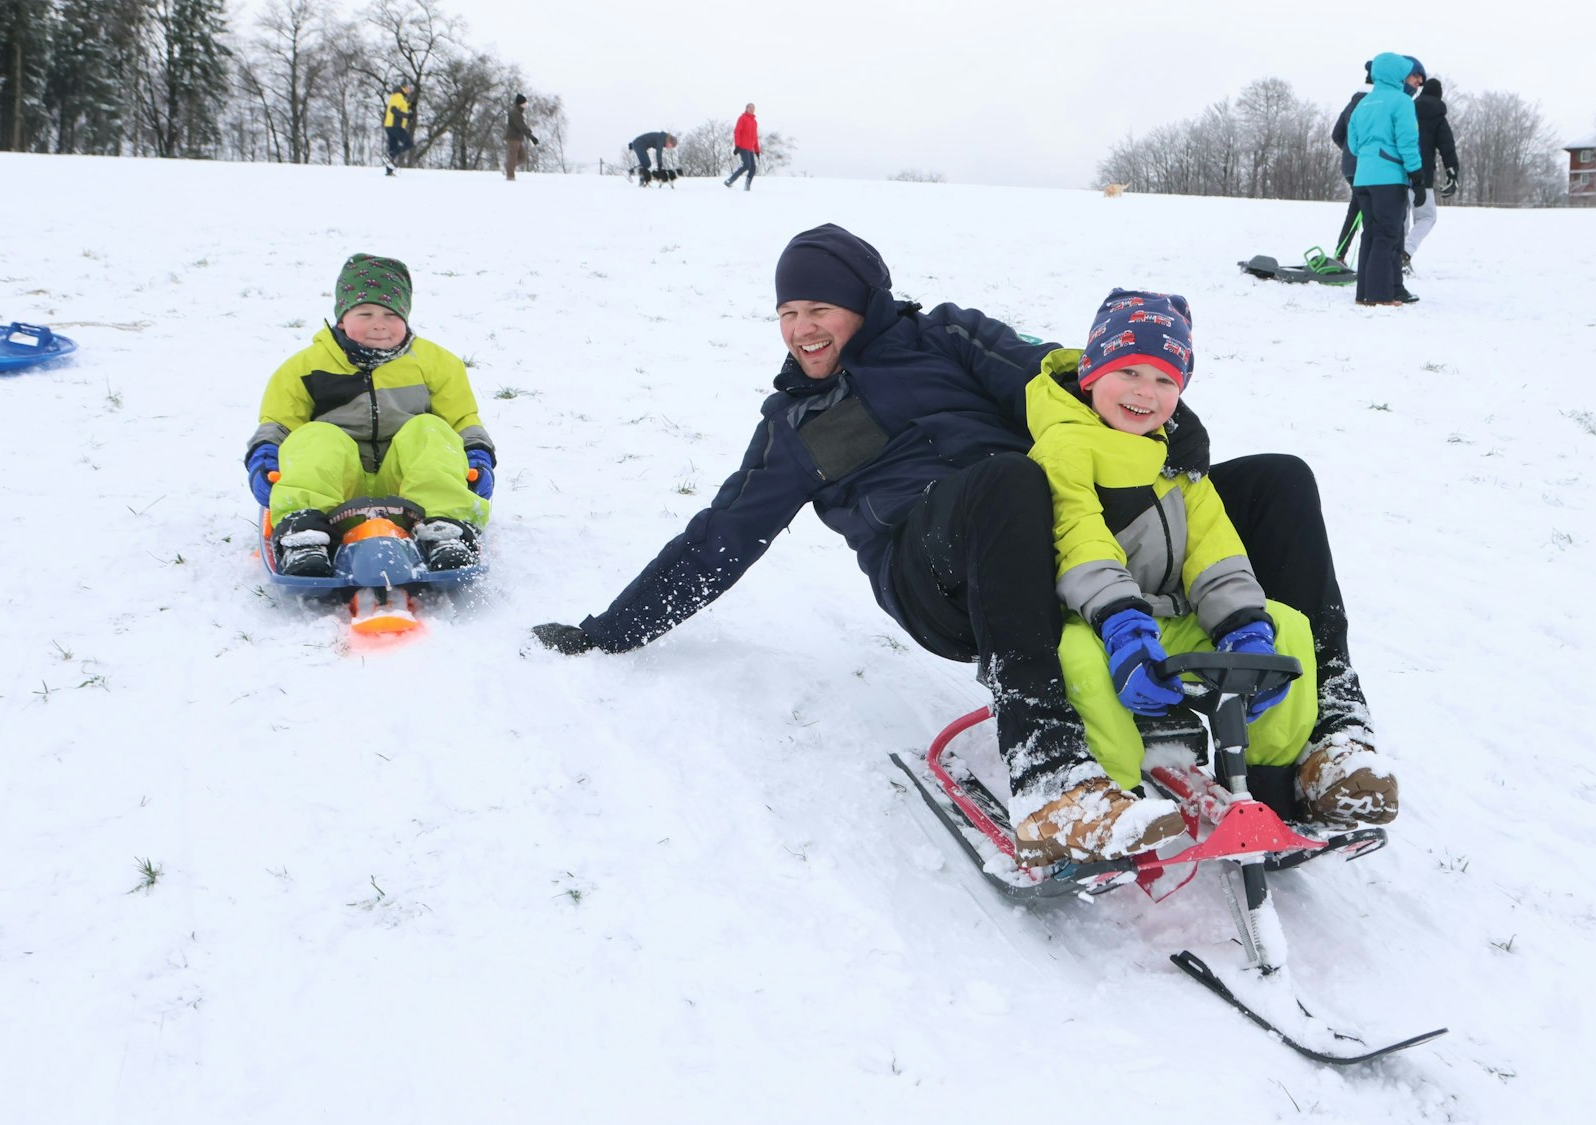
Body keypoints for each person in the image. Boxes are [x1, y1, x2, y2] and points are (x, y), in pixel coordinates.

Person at [530, 226, 1396, 865]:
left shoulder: (944, 334)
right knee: (1007, 481)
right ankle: (1051, 771)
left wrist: (1166, 417)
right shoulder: (796, 424)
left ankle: (1329, 737)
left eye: (818, 307)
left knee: (1279, 479)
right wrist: (611, 630)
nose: (802, 327)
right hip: (940, 575)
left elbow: (1057, 375)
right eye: (788, 312)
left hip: (1071, 527)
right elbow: (714, 541)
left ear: (862, 304)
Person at [1027, 289, 1354, 859]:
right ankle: (1112, 798)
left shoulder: (1178, 458)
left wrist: (1244, 625)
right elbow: (1077, 535)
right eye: (1127, 370)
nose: (1144, 392)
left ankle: (1274, 787)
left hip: (1170, 614)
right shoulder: (1064, 447)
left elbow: (1215, 548)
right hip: (1094, 617)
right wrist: (1124, 628)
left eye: (1164, 380)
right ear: (1090, 373)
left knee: (1289, 631)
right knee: (1080, 663)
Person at [245, 254, 496, 577]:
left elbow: (462, 421)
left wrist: (477, 455)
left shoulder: (437, 363)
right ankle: (304, 534)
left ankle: (445, 529)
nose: (379, 324)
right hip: (335, 487)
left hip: (409, 484)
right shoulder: (302, 368)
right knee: (314, 435)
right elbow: (278, 424)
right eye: (365, 313)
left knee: (430, 429)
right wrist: (264, 458)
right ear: (341, 319)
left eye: (391, 314)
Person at [1346, 53, 1426, 306]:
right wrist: (1417, 175)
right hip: (1389, 178)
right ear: (1395, 75)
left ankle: (1364, 294)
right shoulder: (1401, 102)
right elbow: (1407, 141)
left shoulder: (1363, 104)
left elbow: (1353, 144)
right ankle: (1380, 295)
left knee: (1370, 233)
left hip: (1363, 178)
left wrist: (1372, 156)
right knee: (1387, 235)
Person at [1403, 77, 1460, 273]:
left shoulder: (1408, 109)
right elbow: (1447, 146)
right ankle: (1405, 252)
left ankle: (1396, 256)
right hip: (1423, 175)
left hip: (1399, 174)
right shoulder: (1438, 116)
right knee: (1427, 217)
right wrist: (1452, 172)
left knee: (1401, 218)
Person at [1329, 63, 1373, 265]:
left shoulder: (1351, 103)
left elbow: (1336, 134)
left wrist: (1349, 151)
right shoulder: (1373, 104)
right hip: (1369, 167)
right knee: (1366, 211)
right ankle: (1358, 257)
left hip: (1349, 167)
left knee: (1357, 209)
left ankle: (1341, 254)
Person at [504, 93, 540, 181]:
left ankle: (508, 166)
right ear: (520, 103)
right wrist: (531, 137)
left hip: (518, 138)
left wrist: (528, 130)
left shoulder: (518, 112)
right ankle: (510, 177)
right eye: (524, 103)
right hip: (513, 138)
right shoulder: (515, 112)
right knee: (513, 157)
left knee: (522, 157)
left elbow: (522, 125)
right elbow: (521, 126)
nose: (526, 105)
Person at [383, 82, 416, 176]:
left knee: (392, 147)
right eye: (409, 88)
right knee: (409, 144)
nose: (410, 90)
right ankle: (389, 156)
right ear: (404, 87)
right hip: (395, 126)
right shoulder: (398, 96)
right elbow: (393, 110)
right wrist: (407, 116)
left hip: (389, 126)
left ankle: (389, 172)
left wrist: (410, 106)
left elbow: (401, 107)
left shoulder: (396, 96)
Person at [725, 104, 760, 190]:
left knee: (753, 168)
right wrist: (737, 145)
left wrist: (757, 150)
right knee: (747, 165)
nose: (752, 109)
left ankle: (747, 186)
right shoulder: (742, 118)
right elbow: (737, 132)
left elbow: (755, 137)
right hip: (742, 146)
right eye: (750, 108)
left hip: (750, 148)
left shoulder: (754, 122)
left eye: (753, 108)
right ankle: (730, 180)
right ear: (746, 109)